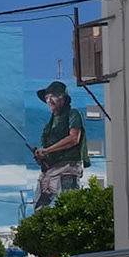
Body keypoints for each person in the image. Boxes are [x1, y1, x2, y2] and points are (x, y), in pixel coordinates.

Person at [31, 80, 87, 210]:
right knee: (39, 208)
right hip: (49, 171)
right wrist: (41, 156)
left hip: (67, 168)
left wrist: (46, 150)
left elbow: (74, 138)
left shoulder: (73, 114)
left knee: (70, 207)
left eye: (54, 96)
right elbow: (46, 149)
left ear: (64, 99)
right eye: (47, 97)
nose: (49, 100)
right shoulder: (48, 126)